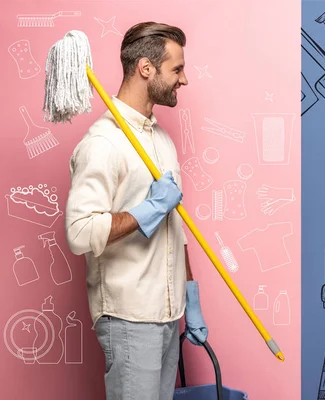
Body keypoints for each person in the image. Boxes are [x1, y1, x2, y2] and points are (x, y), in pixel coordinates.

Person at [64, 22, 208, 400]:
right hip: (129, 317)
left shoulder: (161, 141)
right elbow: (79, 233)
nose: (184, 79)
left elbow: (175, 226)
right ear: (147, 68)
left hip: (169, 314)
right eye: (177, 69)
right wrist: (148, 210)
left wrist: (190, 298)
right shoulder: (103, 143)